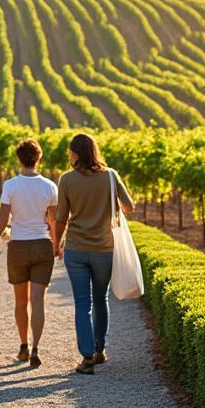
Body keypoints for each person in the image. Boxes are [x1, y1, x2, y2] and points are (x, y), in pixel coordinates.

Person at [53, 133, 134, 375]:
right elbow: (130, 206)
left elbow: (60, 218)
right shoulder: (110, 176)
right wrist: (107, 206)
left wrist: (57, 244)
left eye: (70, 151)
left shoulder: (66, 180)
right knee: (101, 298)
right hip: (104, 249)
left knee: (82, 303)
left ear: (76, 154)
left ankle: (86, 357)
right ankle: (100, 350)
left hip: (76, 249)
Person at [0, 138, 58, 368]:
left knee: (21, 302)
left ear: (18, 159)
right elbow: (53, 221)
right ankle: (35, 348)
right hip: (42, 244)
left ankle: (22, 345)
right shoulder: (50, 186)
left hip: (18, 245)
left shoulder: (10, 185)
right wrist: (57, 244)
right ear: (39, 158)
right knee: (38, 301)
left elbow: (3, 218)